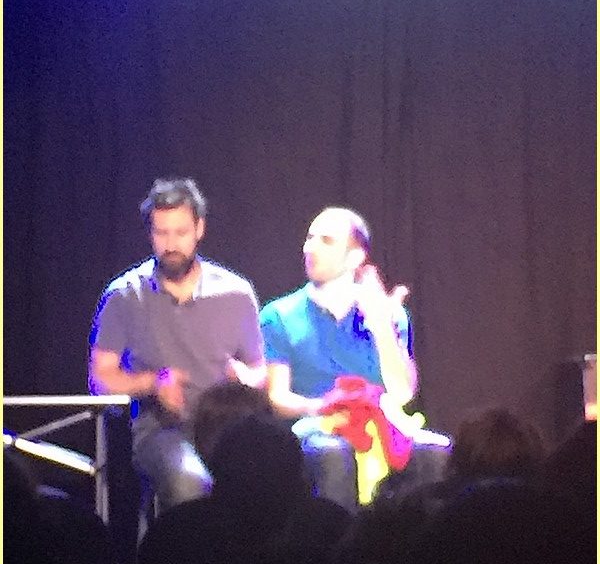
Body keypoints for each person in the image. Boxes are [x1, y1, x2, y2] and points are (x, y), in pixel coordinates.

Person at [89, 177, 265, 514]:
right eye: (162, 233)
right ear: (150, 234)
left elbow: (259, 371)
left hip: (227, 427)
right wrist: (153, 383)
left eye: (181, 233)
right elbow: (101, 379)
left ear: (200, 229)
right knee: (190, 481)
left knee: (268, 476)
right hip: (162, 431)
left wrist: (246, 379)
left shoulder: (236, 293)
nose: (171, 244)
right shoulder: (125, 295)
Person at [260, 206, 419, 511]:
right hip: (315, 425)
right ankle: (338, 539)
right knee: (334, 454)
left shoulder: (389, 315)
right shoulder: (279, 315)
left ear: (355, 257)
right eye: (310, 238)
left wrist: (382, 325)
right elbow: (277, 398)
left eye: (326, 241)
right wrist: (325, 406)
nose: (311, 248)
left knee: (434, 452)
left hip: (378, 423)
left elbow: (402, 393)